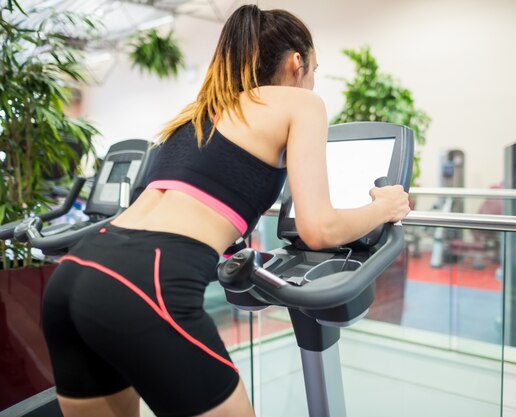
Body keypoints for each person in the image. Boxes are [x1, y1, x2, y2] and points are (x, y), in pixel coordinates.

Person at [41, 4, 410, 417]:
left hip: (77, 272)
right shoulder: (299, 104)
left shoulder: (194, 117)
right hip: (145, 283)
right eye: (314, 70)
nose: (311, 81)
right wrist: (385, 207)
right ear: (296, 63)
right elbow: (319, 229)